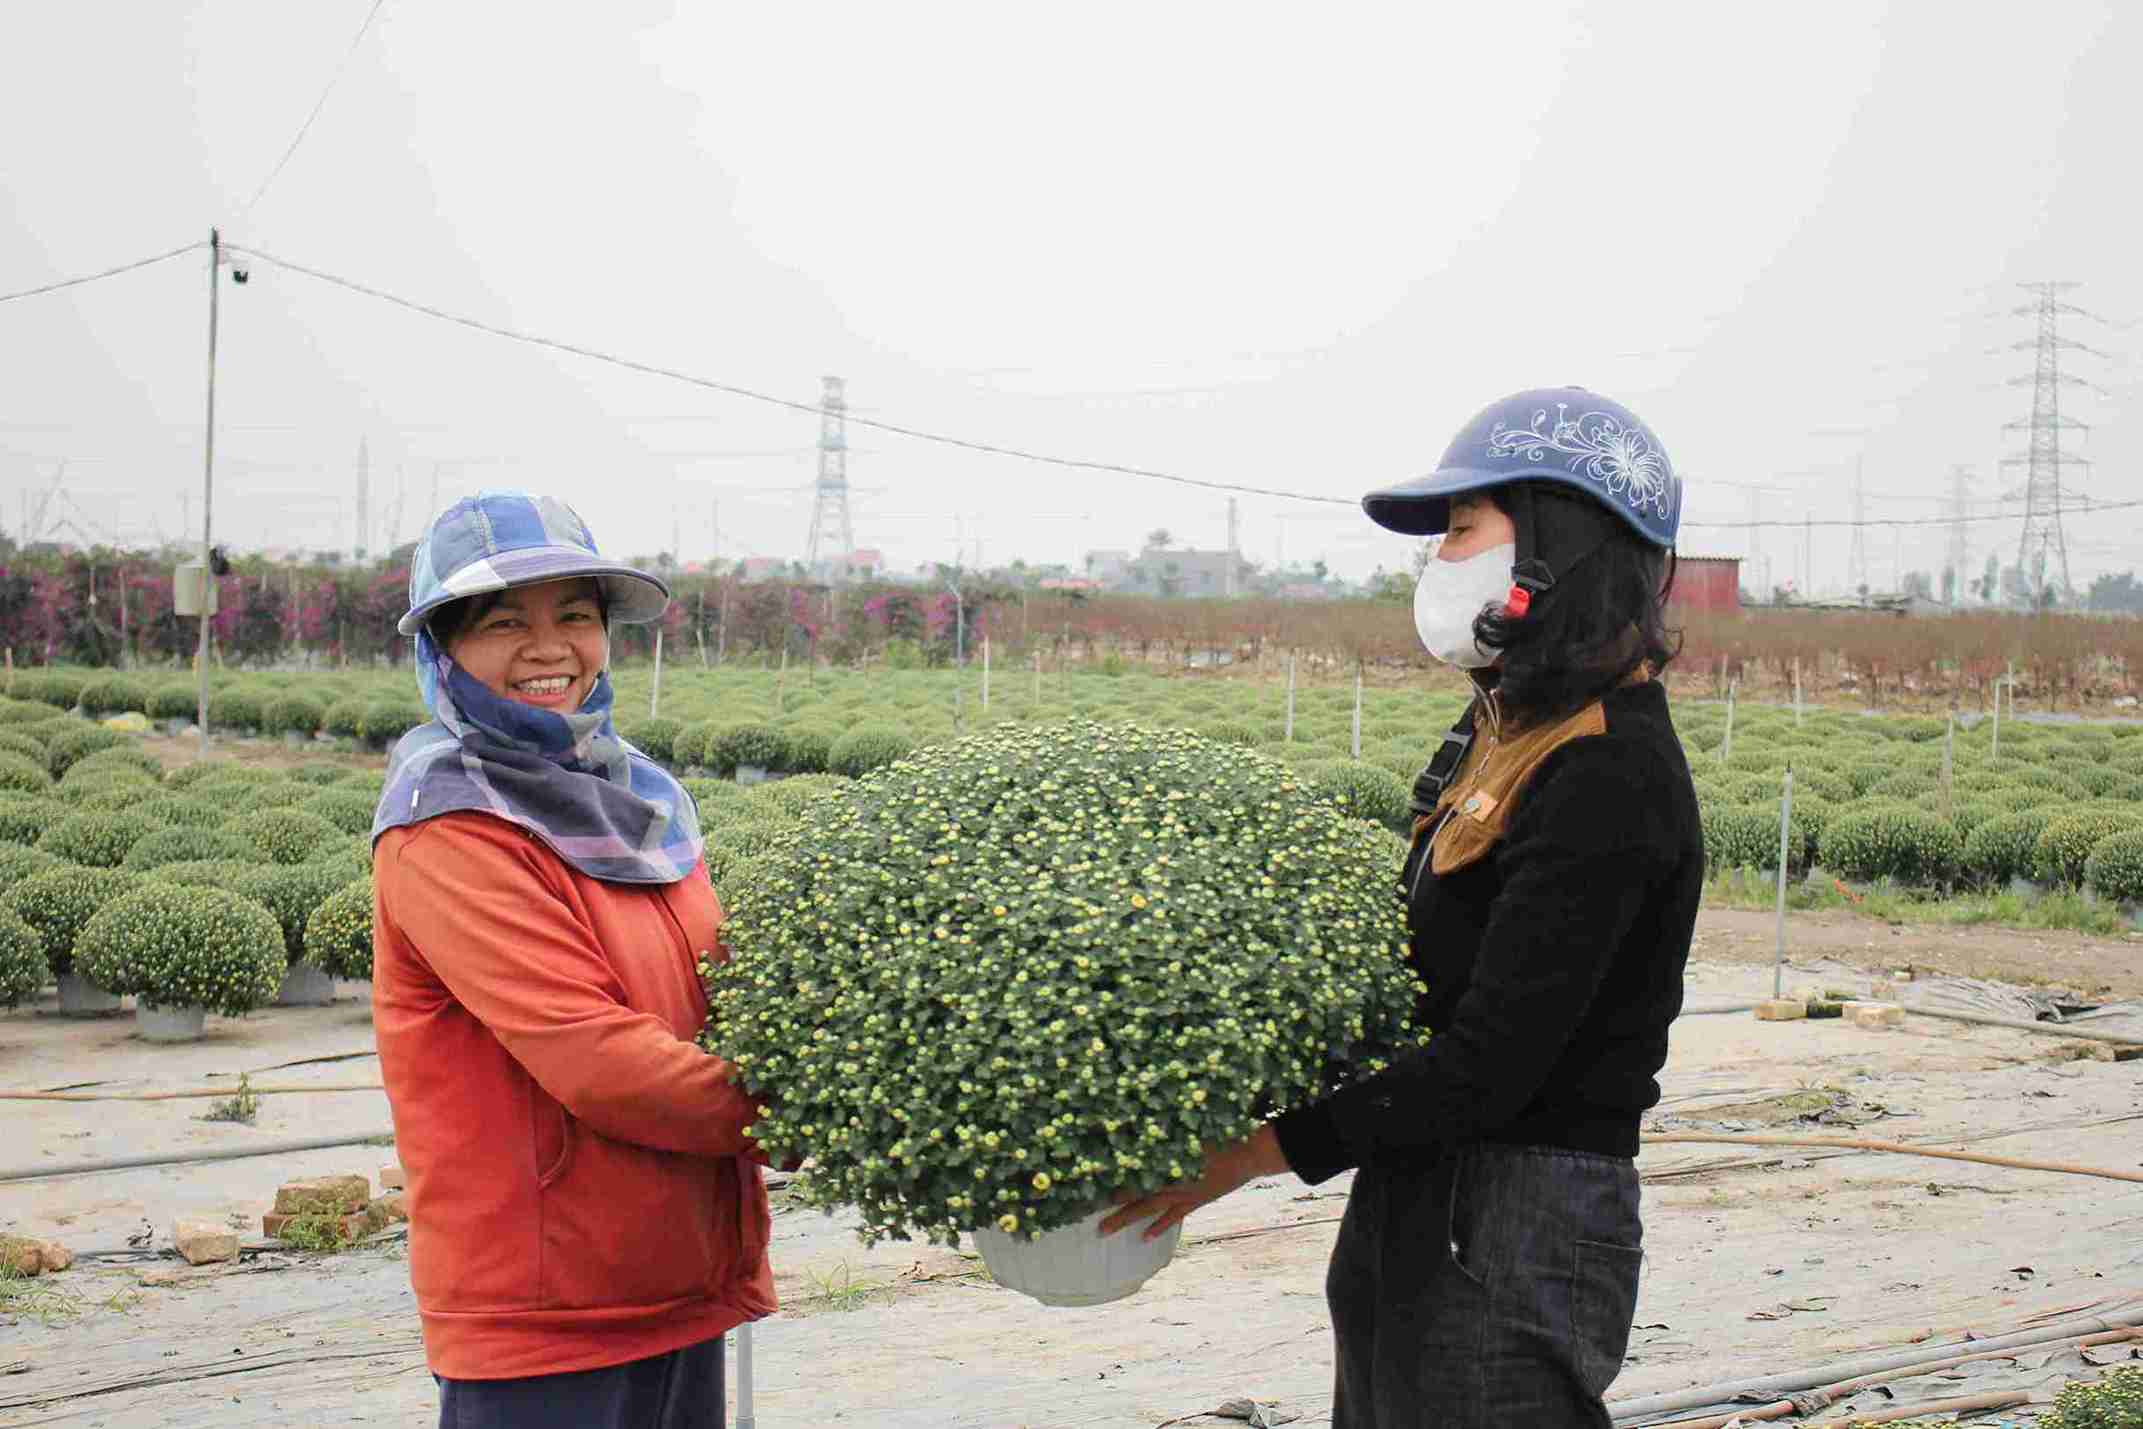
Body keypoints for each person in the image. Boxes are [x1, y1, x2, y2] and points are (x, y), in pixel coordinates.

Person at [1104, 388, 1704, 1427]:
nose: (1440, 557)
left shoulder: (1608, 769)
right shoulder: (1508, 728)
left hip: (1514, 1217)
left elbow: (1489, 1063)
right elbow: (1411, 975)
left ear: (1557, 545)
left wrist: (1246, 1156)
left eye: (1463, 527)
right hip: (1424, 1186)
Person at [370, 490, 775, 1429]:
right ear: (445, 646)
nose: (550, 647)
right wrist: (815, 1114)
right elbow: (599, 1058)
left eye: (577, 616)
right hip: (547, 1313)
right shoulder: (450, 825)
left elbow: (712, 986)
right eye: (506, 620)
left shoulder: (637, 795)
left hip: (676, 1281)